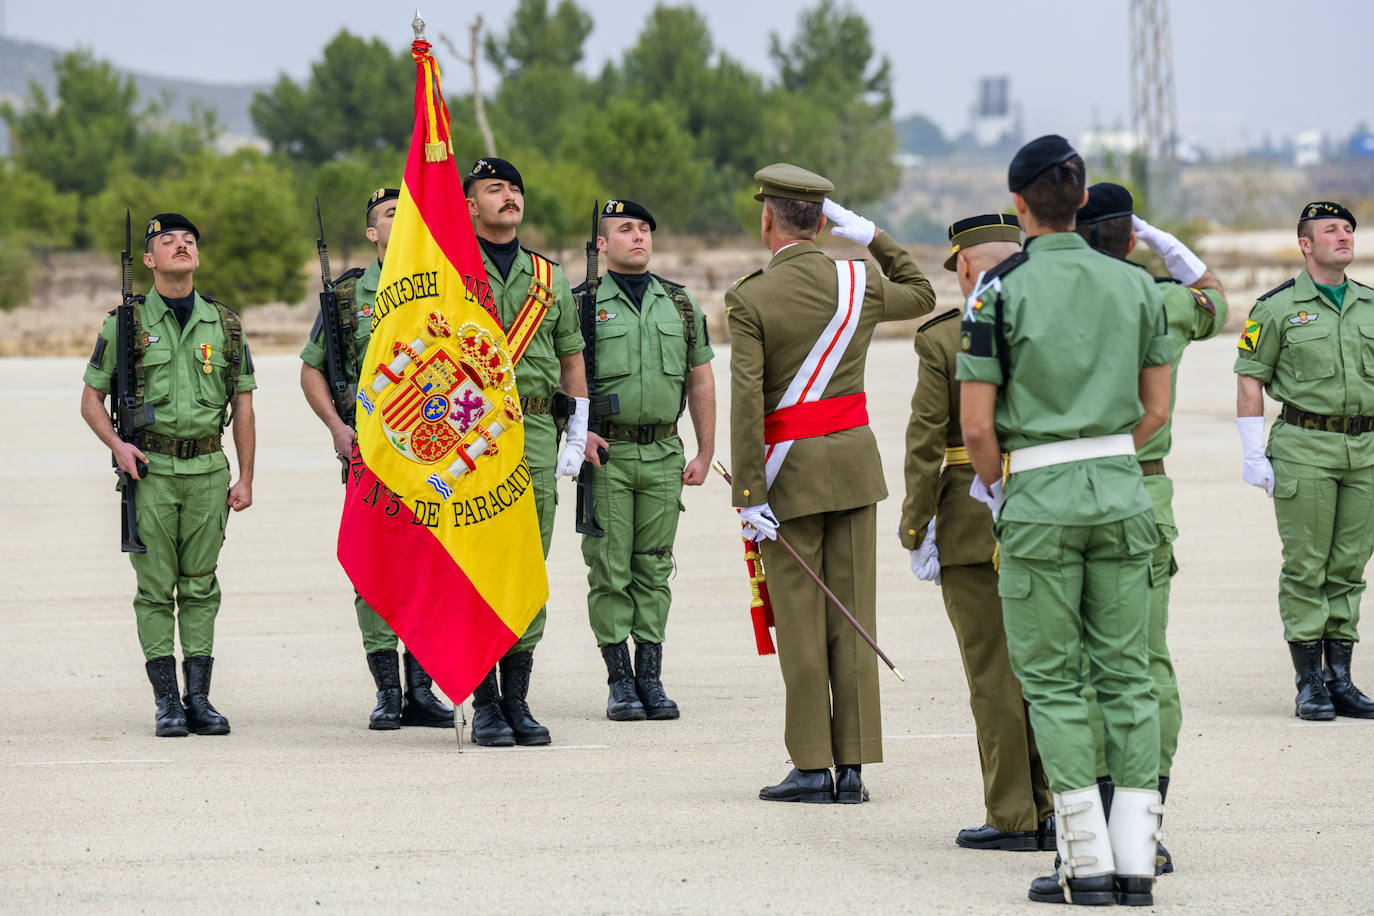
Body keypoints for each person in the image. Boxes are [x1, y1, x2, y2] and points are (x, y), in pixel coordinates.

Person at [956, 136, 1173, 906]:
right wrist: (1104, 454)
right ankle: (1137, 862)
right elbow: (1156, 411)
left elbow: (977, 428)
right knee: (1128, 678)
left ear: (1018, 205)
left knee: (1051, 683)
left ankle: (1084, 863)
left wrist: (1004, 487)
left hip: (1040, 497)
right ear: (1082, 201)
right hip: (1121, 491)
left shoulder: (996, 292)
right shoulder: (1137, 286)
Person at [728, 163, 935, 804]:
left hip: (787, 478)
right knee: (852, 616)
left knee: (801, 620)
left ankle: (813, 765)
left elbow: (747, 401)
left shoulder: (751, 297)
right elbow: (923, 292)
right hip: (851, 467)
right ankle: (854, 768)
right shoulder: (860, 279)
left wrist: (748, 495)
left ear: (768, 219)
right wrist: (872, 235)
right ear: (822, 221)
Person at [1071, 182, 1228, 880]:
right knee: (1140, 663)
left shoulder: (1044, 291)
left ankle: (1089, 815)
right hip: (1140, 486)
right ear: (1128, 234)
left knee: (1075, 667)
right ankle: (1144, 822)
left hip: (1060, 485)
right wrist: (1167, 245)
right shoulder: (1161, 298)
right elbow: (1215, 301)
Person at [901, 213, 1054, 851]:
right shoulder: (1051, 320)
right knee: (1049, 670)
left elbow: (926, 439)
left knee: (993, 672)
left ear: (964, 266)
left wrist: (916, 524)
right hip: (1052, 507)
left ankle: (1013, 815)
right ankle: (1057, 808)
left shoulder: (945, 338)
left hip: (972, 517)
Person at [80, 213, 256, 738]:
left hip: (207, 469)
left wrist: (246, 476)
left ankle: (199, 699)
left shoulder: (224, 324)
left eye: (189, 240)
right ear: (150, 260)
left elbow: (242, 405)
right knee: (155, 590)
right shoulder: (124, 324)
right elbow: (92, 398)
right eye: (167, 241)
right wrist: (117, 445)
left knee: (200, 587)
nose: (182, 246)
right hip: (151, 471)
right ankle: (167, 703)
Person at [300, 187, 454, 731]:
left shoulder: (442, 285)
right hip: (369, 456)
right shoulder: (345, 296)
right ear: (372, 233)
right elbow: (312, 369)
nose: (403, 220)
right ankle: (388, 692)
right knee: (374, 572)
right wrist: (337, 428)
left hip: (431, 457)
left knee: (429, 571)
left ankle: (422, 689)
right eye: (392, 214)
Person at [464, 157, 588, 746]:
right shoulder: (447, 269)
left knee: (528, 568)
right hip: (471, 437)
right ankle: (484, 703)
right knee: (479, 568)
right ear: (469, 204)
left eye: (514, 188)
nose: (509, 197)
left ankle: (518, 698)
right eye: (495, 189)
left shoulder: (549, 276)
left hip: (538, 435)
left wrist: (577, 432)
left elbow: (571, 359)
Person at [1234, 201, 1374, 721]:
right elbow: (1250, 373)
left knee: (1349, 567)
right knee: (1307, 567)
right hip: (1304, 449)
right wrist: (1252, 449)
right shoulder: (1276, 309)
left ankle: (1341, 680)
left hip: (1365, 451)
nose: (1343, 236)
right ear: (1305, 244)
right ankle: (1310, 682)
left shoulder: (1369, 305)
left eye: (1347, 229)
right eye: (1330, 230)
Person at [577, 199, 715, 720]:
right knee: (609, 569)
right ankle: (620, 681)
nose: (638, 237)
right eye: (625, 229)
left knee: (654, 568)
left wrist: (705, 449)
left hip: (663, 452)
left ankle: (651, 678)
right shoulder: (582, 303)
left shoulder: (678, 305)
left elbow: (699, 377)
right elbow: (566, 376)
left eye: (645, 229)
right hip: (605, 452)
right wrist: (578, 435)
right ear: (601, 244)